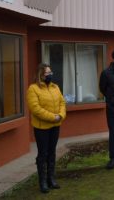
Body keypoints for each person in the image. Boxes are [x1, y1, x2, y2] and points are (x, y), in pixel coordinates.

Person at [27, 63, 66, 193]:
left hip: (55, 126)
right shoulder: (33, 89)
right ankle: (42, 182)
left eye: (50, 72)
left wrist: (60, 115)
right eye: (47, 73)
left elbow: (62, 103)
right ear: (41, 75)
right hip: (42, 127)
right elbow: (35, 109)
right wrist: (52, 117)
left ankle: (51, 179)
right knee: (42, 154)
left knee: (52, 152)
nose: (50, 75)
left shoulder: (56, 87)